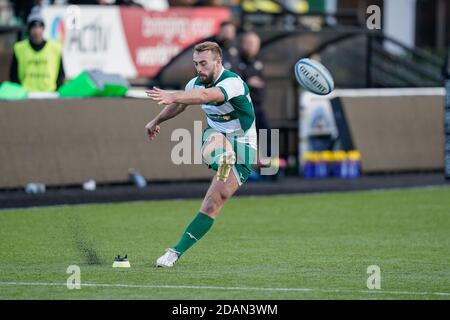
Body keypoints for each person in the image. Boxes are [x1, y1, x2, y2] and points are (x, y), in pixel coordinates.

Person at [145, 41, 257, 267]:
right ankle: (173, 253)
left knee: (216, 202)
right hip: (217, 135)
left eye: (204, 63)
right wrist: (157, 120)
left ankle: (225, 158)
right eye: (196, 64)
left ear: (218, 62)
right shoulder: (194, 84)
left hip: (244, 144)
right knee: (213, 148)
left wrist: (173, 95)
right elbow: (180, 106)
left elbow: (206, 96)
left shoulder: (233, 82)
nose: (199, 68)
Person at [9, 6, 65, 92]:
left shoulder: (55, 48)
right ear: (29, 29)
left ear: (43, 28)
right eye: (33, 27)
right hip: (25, 95)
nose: (36, 31)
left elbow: (61, 74)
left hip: (49, 93)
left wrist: (56, 90)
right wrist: (19, 92)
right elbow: (13, 75)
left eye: (39, 27)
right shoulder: (19, 48)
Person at [237, 31, 271, 159]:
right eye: (250, 43)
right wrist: (248, 83)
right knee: (245, 137)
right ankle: (244, 166)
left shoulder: (258, 62)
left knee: (266, 132)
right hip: (242, 108)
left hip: (258, 106)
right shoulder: (236, 61)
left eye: (255, 44)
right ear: (243, 44)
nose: (252, 47)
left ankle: (269, 165)